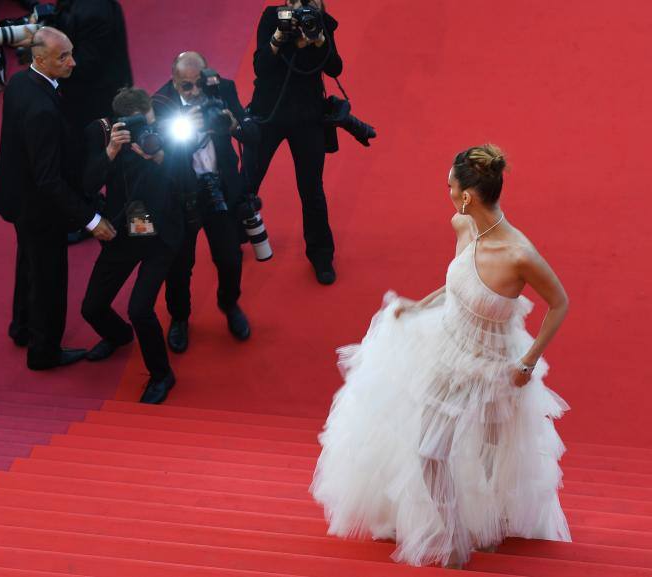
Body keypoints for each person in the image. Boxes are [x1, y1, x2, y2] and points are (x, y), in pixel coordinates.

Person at [310, 144, 571, 568]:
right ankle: (452, 537)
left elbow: (559, 303)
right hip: (448, 353)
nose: (446, 192)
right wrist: (419, 306)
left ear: (467, 194)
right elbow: (459, 284)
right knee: (431, 451)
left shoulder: (519, 254)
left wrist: (528, 362)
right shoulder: (463, 226)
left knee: (490, 454)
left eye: (449, 185)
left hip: (496, 367)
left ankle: (488, 527)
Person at [0, 26, 116, 370]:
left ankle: (22, 328)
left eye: (71, 52)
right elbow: (49, 179)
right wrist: (91, 221)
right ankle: (44, 352)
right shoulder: (42, 111)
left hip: (17, 199)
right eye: (64, 57)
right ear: (41, 59)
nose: (73, 62)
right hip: (40, 209)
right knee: (49, 280)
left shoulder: (19, 83)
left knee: (28, 264)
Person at [80, 87, 183, 404]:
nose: (146, 131)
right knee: (92, 308)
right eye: (138, 125)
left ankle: (162, 375)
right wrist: (111, 151)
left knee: (139, 309)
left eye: (149, 121)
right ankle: (118, 336)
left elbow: (187, 182)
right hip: (124, 232)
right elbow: (86, 185)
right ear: (120, 123)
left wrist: (162, 157)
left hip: (160, 236)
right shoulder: (110, 139)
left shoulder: (169, 134)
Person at [153, 51, 251, 353]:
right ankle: (180, 318)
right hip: (181, 195)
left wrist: (234, 125)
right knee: (180, 265)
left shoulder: (222, 89)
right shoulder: (160, 104)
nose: (195, 93)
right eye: (186, 87)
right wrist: (188, 128)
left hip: (219, 188)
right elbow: (157, 158)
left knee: (230, 258)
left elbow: (253, 133)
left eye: (199, 85)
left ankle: (229, 303)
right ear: (174, 81)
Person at [247, 0, 342, 285]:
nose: (304, 5)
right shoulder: (272, 17)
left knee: (312, 189)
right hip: (269, 113)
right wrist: (279, 37)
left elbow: (336, 69)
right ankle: (233, 235)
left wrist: (319, 40)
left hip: (306, 117)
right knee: (248, 180)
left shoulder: (320, 21)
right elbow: (261, 68)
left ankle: (321, 255)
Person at [54, 0, 132, 131]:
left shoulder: (94, 13)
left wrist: (49, 59)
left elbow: (85, 64)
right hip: (97, 86)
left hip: (94, 97)